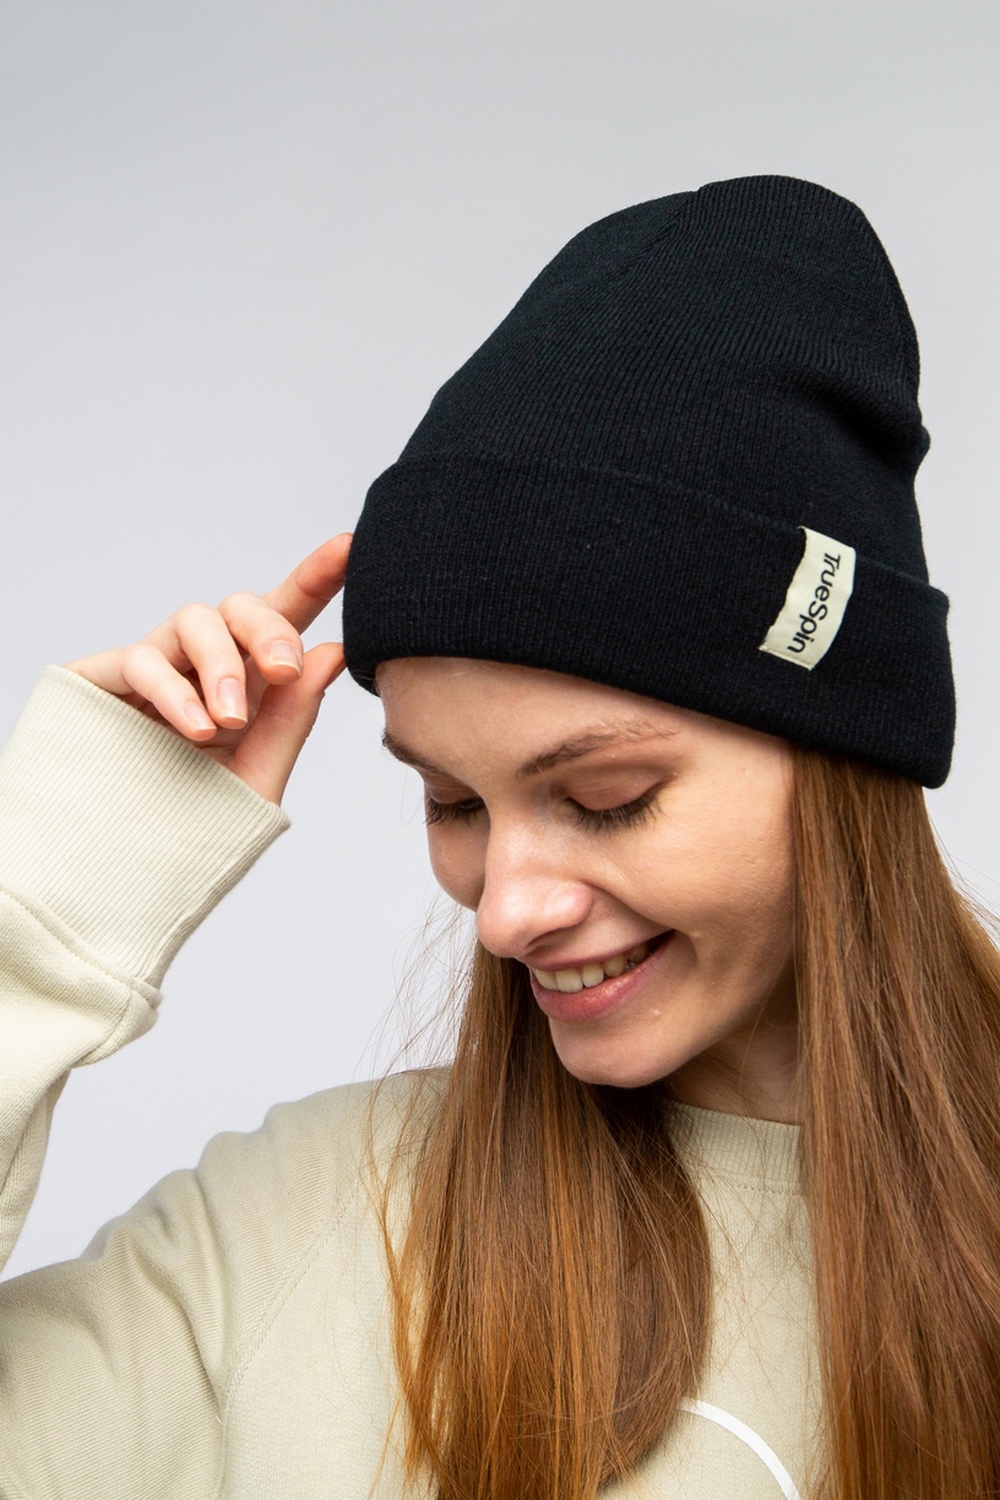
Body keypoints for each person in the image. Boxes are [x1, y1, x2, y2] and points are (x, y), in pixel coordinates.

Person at [0, 175, 996, 1500]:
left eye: (607, 796)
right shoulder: (293, 1240)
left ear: (844, 753)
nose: (507, 910)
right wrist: (49, 904)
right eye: (452, 802)